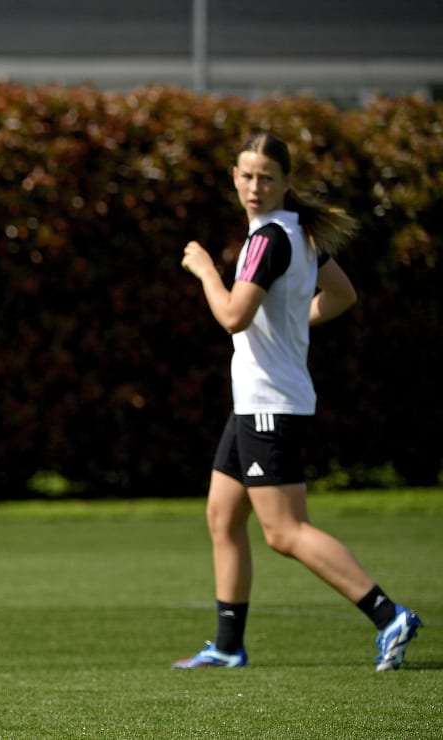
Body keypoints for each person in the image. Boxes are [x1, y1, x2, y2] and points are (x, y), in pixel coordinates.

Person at [175, 132, 421, 671]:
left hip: (270, 405)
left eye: (266, 176)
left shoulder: (267, 239)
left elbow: (233, 316)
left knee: (284, 532)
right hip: (256, 403)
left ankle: (389, 615)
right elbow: (341, 294)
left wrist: (205, 272)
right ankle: (227, 645)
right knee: (222, 516)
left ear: (287, 182)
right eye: (246, 175)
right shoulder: (298, 232)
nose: (254, 186)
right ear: (235, 178)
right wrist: (291, 328)